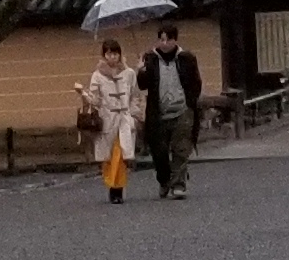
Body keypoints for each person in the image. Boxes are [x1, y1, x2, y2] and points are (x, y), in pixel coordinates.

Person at [139, 19, 205, 200]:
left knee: (181, 149)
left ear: (175, 40)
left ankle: (178, 184)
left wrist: (190, 102)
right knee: (159, 152)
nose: (165, 43)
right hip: (158, 112)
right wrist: (141, 70)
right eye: (161, 39)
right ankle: (164, 180)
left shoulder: (187, 59)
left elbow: (196, 83)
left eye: (168, 39)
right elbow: (143, 85)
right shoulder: (150, 59)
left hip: (182, 110)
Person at [81, 38, 141, 204]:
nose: (112, 57)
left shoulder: (129, 73)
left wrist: (135, 115)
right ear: (104, 55)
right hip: (107, 119)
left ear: (120, 54)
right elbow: (95, 99)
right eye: (108, 54)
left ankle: (117, 189)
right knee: (109, 157)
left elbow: (135, 95)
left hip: (124, 119)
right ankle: (112, 186)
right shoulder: (97, 75)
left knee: (120, 155)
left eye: (115, 53)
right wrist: (85, 95)